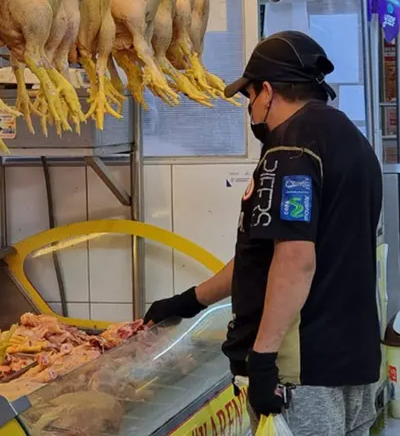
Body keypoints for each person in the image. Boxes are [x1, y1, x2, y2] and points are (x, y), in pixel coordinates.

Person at [143, 31, 382, 435]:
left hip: (303, 368)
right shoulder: (352, 140)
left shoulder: (289, 147)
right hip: (354, 358)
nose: (251, 110)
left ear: (267, 91)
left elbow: (295, 260)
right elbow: (272, 252)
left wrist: (264, 357)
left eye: (249, 97)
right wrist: (189, 301)